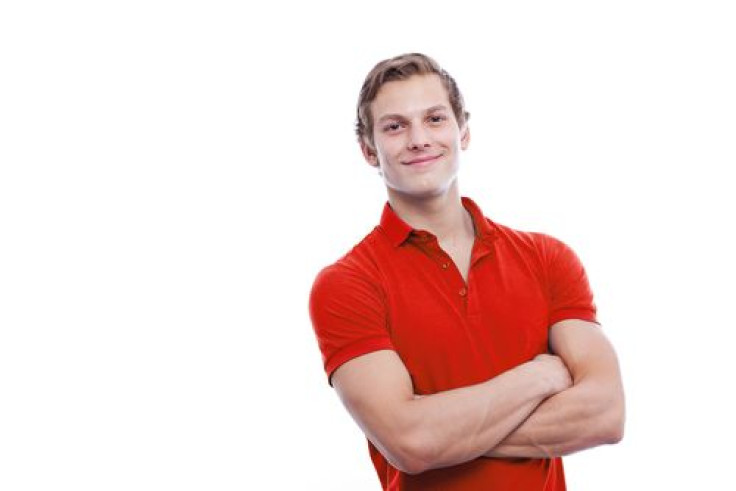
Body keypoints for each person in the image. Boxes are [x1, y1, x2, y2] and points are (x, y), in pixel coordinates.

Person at [308, 53, 625, 490]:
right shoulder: (347, 284)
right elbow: (411, 442)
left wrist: (446, 433)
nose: (419, 139)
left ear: (463, 132)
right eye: (395, 126)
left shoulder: (548, 258)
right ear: (369, 151)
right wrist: (538, 376)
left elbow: (605, 413)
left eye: (435, 119)